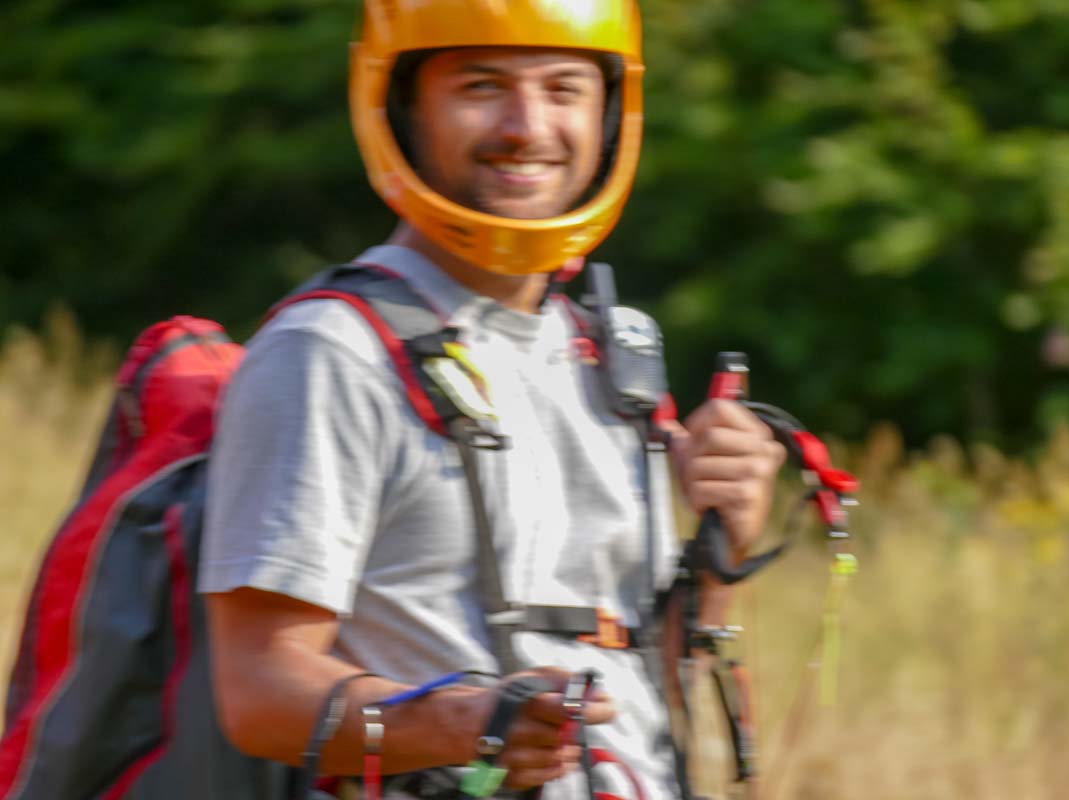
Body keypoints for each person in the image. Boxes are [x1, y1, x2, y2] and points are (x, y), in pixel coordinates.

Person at [198, 0, 786, 797]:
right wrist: (456, 726)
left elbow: (644, 694)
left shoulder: (610, 354)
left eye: (564, 88)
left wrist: (722, 545)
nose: (527, 127)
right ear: (403, 107)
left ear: (612, 112)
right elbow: (262, 693)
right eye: (481, 86)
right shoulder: (330, 353)